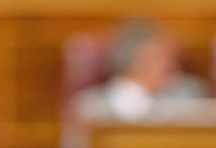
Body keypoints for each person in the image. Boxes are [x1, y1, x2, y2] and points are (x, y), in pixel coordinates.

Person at [73, 19, 205, 120]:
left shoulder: (188, 97)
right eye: (161, 57)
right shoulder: (92, 107)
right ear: (136, 61)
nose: (172, 66)